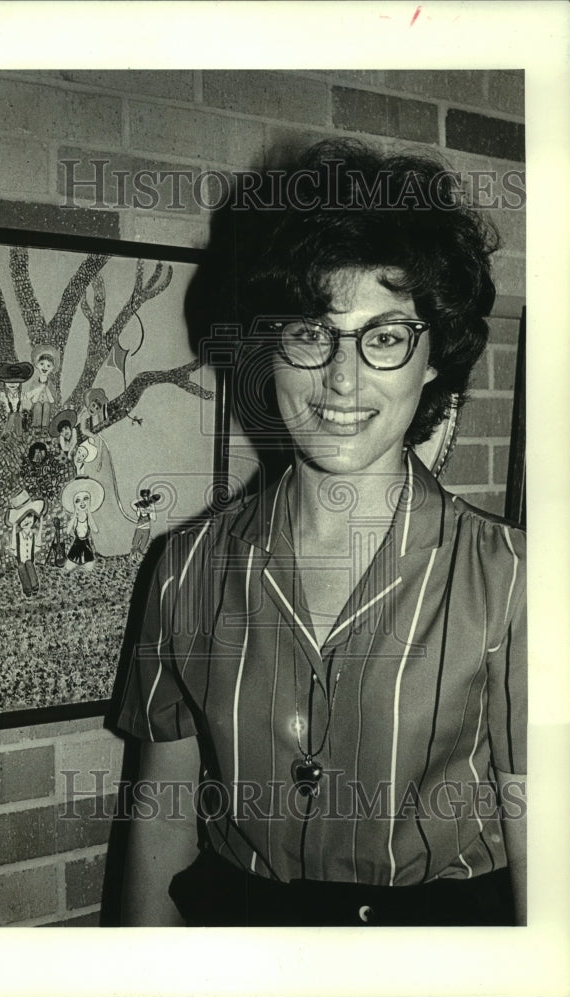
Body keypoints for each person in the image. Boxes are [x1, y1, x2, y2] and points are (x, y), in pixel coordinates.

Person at [110, 140, 526, 927]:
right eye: (310, 332)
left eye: (385, 336)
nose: (342, 378)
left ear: (432, 357)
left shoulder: (514, 580)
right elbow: (159, 814)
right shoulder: (184, 567)